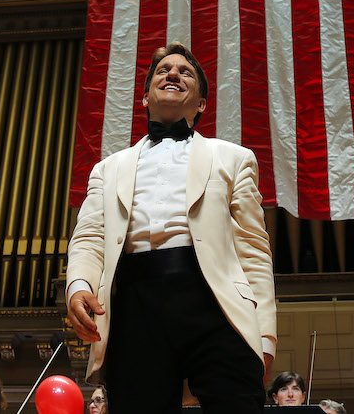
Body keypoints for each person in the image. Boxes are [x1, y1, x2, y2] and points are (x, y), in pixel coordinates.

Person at [66, 42, 277, 413]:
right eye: (163, 71)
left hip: (214, 302)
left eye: (186, 72)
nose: (173, 74)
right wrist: (79, 285)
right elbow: (89, 237)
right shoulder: (106, 169)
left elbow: (254, 250)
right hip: (134, 302)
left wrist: (265, 335)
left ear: (201, 105)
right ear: (145, 98)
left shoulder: (234, 158)